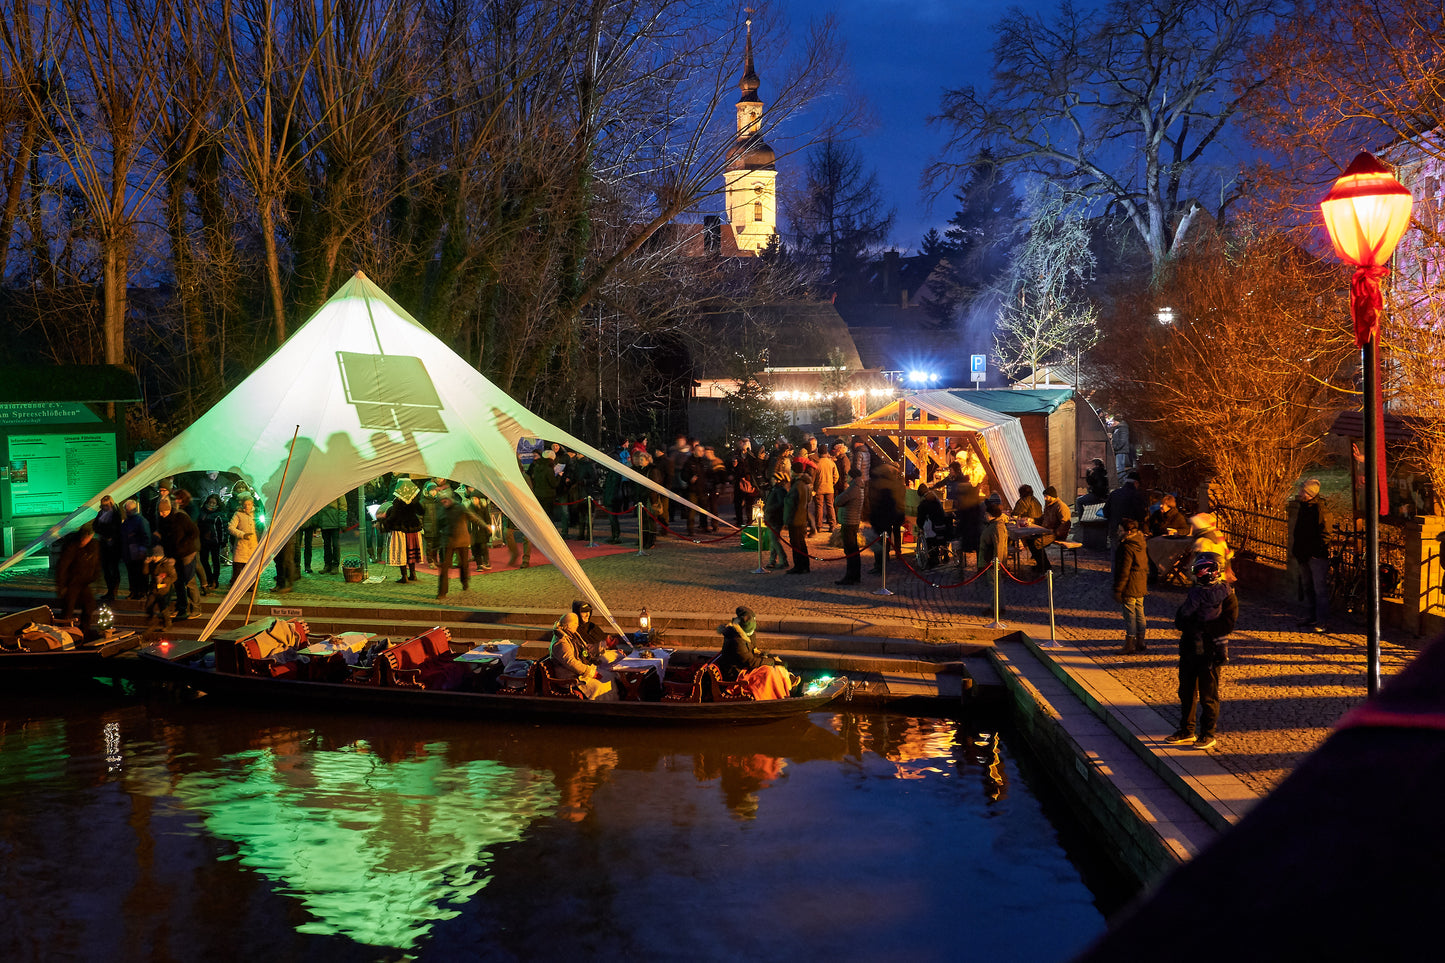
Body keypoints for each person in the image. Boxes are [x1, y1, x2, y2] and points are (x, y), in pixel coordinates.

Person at [1164, 552, 1238, 750]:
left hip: (1210, 650)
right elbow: (1180, 620)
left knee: (1208, 695)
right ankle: (1186, 730)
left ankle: (1207, 733)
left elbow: (1227, 624)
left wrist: (1201, 627)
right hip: (1189, 647)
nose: (1196, 576)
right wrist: (1192, 625)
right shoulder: (1194, 593)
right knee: (1186, 692)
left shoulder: (1227, 596)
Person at [714, 606, 793, 699]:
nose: (752, 633)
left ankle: (785, 691)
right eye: (751, 631)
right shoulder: (737, 640)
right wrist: (771, 661)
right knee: (769, 672)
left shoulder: (743, 635)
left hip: (744, 666)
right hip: (737, 673)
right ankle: (776, 696)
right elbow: (750, 661)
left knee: (775, 668)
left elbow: (751, 653)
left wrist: (767, 658)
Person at [549, 612, 618, 701]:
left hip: (578, 673)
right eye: (575, 624)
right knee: (602, 684)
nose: (577, 625)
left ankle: (613, 703)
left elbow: (585, 649)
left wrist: (602, 646)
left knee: (609, 675)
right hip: (571, 678)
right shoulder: (561, 642)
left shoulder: (572, 635)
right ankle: (602, 707)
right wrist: (590, 672)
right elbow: (570, 662)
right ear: (569, 625)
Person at [1292, 478, 1330, 631]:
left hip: (1316, 556)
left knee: (1319, 589)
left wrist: (1317, 552)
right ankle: (1311, 616)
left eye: (1303, 491)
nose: (1300, 493)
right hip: (1304, 553)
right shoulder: (1304, 507)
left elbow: (1326, 534)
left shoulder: (1320, 510)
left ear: (1310, 493)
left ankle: (1322, 621)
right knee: (1308, 587)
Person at [155, 496, 201, 619]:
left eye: (163, 511)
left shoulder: (181, 517)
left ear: (169, 509)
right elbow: (165, 538)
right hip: (174, 555)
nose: (161, 514)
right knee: (178, 582)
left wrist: (183, 544)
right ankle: (181, 608)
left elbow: (194, 532)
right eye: (160, 512)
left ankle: (196, 608)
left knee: (189, 580)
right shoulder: (163, 521)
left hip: (187, 553)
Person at [435, 488, 483, 599]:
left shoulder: (460, 507)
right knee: (444, 567)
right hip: (448, 542)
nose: (443, 502)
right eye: (442, 500)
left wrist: (485, 526)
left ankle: (465, 583)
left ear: (450, 499)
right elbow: (438, 526)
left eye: (445, 500)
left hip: (462, 540)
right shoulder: (442, 510)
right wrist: (437, 543)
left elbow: (473, 517)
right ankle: (442, 592)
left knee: (464, 564)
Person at [55, 522, 100, 637]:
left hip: (84, 582)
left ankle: (84, 630)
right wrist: (61, 586)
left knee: (89, 605)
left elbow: (96, 563)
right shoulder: (71, 546)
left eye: (87, 538)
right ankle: (65, 633)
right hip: (71, 582)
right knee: (68, 608)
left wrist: (95, 577)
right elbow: (62, 566)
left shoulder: (93, 546)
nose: (84, 541)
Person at [1113, 517, 1150, 653]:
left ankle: (1130, 644)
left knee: (1130, 616)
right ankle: (1140, 641)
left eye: (1120, 530)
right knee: (1140, 613)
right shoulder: (1140, 542)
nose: (1118, 532)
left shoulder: (1126, 546)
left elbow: (1124, 570)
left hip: (1130, 585)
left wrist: (1118, 589)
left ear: (1127, 532)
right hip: (1140, 582)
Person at [867, 459, 906, 573]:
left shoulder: (882, 484)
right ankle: (897, 552)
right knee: (895, 532)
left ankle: (883, 560)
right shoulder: (898, 482)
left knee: (884, 537)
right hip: (897, 512)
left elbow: (877, 501)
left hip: (885, 516)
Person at [382, 478, 423, 582]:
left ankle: (404, 576)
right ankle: (413, 574)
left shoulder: (397, 502)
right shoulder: (414, 500)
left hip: (401, 530)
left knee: (402, 552)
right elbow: (422, 511)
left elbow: (394, 516)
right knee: (410, 553)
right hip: (413, 531)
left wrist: (385, 524)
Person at [1025, 486, 1071, 573]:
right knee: (1029, 539)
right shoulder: (1048, 506)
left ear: (1052, 496)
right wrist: (1033, 520)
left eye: (1046, 496)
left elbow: (1066, 523)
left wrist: (1056, 532)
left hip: (1055, 533)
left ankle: (1046, 567)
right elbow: (1043, 518)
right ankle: (1040, 564)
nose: (1045, 498)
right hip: (1046, 532)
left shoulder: (1061, 506)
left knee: (1037, 542)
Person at [977, 497, 1009, 615]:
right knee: (996, 584)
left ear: (991, 515)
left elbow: (999, 546)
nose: (985, 515)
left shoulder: (996, 527)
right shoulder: (993, 525)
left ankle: (996, 607)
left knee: (994, 585)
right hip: (990, 560)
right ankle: (998, 606)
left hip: (993, 561)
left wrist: (997, 563)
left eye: (986, 513)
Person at [834, 467, 864, 584]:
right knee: (853, 550)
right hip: (853, 520)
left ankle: (851, 576)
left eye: (847, 476)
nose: (846, 478)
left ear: (851, 477)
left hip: (849, 521)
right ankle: (855, 575)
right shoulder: (859, 487)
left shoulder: (853, 489)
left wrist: (838, 497)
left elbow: (838, 501)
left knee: (850, 550)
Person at [1103, 472, 1148, 547]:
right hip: (1130, 530)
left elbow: (1106, 511)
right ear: (1136, 483)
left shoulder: (1114, 493)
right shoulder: (1137, 495)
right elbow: (1141, 514)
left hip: (1115, 528)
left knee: (1115, 552)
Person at [93, 495, 123, 603]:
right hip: (104, 545)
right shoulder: (101, 513)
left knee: (113, 569)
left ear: (110, 504)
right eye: (102, 506)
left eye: (105, 505)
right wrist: (104, 531)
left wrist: (104, 531)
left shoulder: (115, 514)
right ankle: (110, 591)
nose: (103, 507)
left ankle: (113, 591)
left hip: (113, 546)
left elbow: (114, 529)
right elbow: (95, 526)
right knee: (106, 569)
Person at [120, 499, 151, 599]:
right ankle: (135, 591)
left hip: (136, 551)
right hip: (131, 551)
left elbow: (145, 536)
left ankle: (141, 591)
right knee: (133, 572)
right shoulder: (136, 520)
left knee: (139, 572)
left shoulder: (139, 521)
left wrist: (143, 549)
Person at [784, 468, 812, 573]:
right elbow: (808, 499)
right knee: (801, 541)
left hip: (795, 517)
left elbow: (792, 501)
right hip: (801, 516)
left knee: (796, 542)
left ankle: (799, 566)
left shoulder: (798, 484)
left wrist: (786, 499)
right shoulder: (805, 483)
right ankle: (805, 565)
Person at [197, 494, 228, 590]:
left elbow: (223, 529)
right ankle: (209, 578)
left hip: (215, 541)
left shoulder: (220, 514)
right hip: (203, 541)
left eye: (214, 503)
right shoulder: (202, 512)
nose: (211, 504)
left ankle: (215, 580)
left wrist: (223, 541)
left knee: (215, 561)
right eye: (210, 502)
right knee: (204, 560)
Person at [143, 543, 177, 630]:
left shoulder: (167, 565)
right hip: (154, 589)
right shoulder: (153, 563)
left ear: (159, 555)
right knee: (148, 605)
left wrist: (164, 581)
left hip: (164, 590)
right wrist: (146, 564)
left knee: (163, 607)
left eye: (154, 556)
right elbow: (146, 573)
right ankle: (153, 620)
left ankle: (167, 624)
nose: (153, 558)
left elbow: (174, 577)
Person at [227, 496, 259, 586]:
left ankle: (251, 585)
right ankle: (235, 585)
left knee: (251, 569)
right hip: (241, 546)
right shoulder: (238, 514)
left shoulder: (256, 514)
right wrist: (242, 534)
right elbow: (231, 527)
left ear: (252, 504)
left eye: (249, 504)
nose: (247, 506)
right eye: (245, 504)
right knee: (237, 568)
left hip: (253, 546)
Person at [763, 469, 789, 570]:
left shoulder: (780, 490)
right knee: (773, 541)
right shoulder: (775, 489)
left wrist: (770, 508)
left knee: (774, 540)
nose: (771, 480)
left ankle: (783, 560)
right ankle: (772, 561)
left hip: (776, 518)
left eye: (773, 479)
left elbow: (781, 503)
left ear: (778, 480)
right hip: (772, 518)